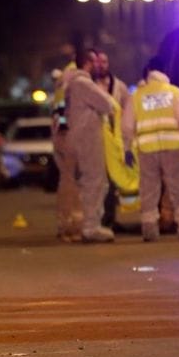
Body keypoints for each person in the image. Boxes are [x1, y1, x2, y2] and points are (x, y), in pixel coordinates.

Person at [122, 57, 179, 241]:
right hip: (173, 147)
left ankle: (149, 228)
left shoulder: (137, 96)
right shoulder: (173, 92)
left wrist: (127, 148)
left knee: (148, 188)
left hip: (147, 148)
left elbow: (126, 126)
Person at [65, 49, 116, 243]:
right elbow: (107, 104)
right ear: (87, 63)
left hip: (81, 136)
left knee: (92, 180)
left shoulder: (73, 83)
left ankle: (92, 224)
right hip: (88, 137)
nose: (98, 65)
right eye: (94, 61)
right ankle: (91, 226)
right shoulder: (83, 83)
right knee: (95, 180)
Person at [92, 50, 131, 229]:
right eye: (98, 62)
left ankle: (110, 218)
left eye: (104, 62)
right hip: (94, 140)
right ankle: (96, 219)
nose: (101, 66)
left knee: (112, 181)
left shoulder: (119, 86)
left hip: (114, 142)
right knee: (96, 181)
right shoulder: (88, 86)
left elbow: (128, 111)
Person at [51, 59, 84, 242]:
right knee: (72, 183)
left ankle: (65, 224)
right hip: (68, 136)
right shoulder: (73, 79)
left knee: (66, 181)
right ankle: (74, 226)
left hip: (61, 135)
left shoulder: (62, 80)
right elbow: (63, 109)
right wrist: (65, 128)